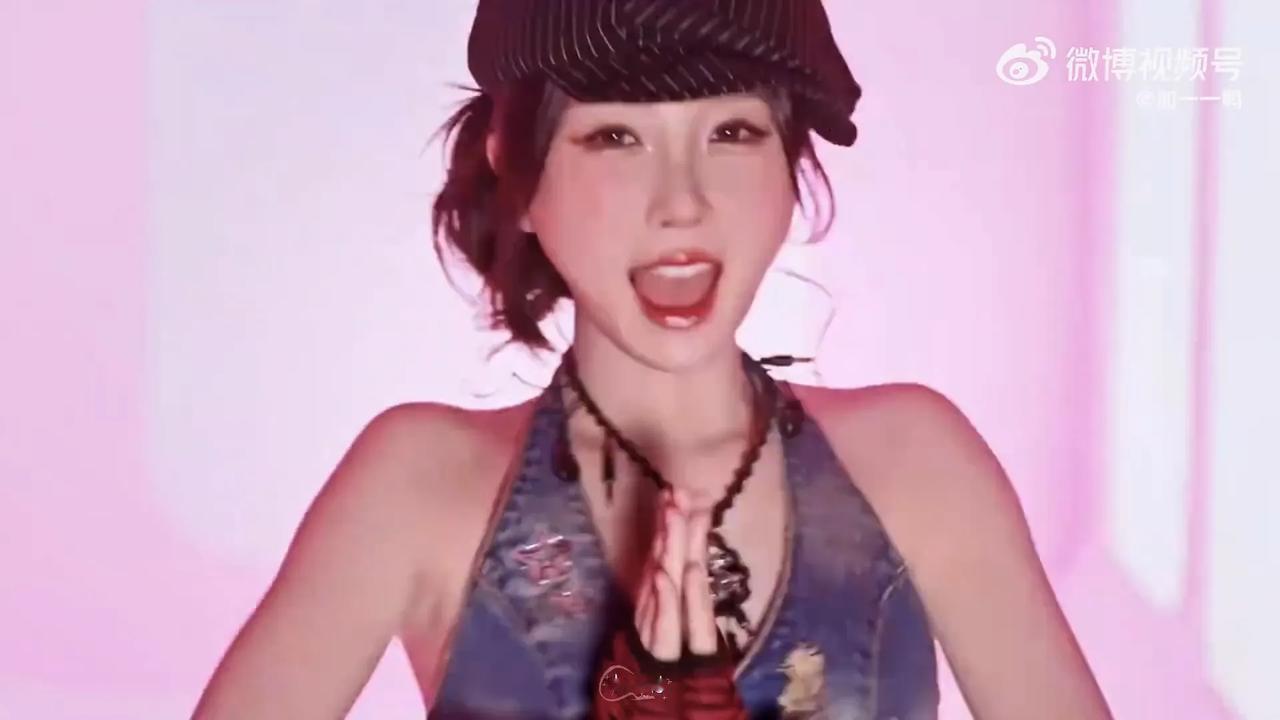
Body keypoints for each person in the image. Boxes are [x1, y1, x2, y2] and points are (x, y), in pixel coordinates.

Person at [193, 1, 1113, 718]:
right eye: (616, 137)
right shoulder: (420, 485)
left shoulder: (916, 465)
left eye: (732, 133)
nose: (683, 203)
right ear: (517, 171)